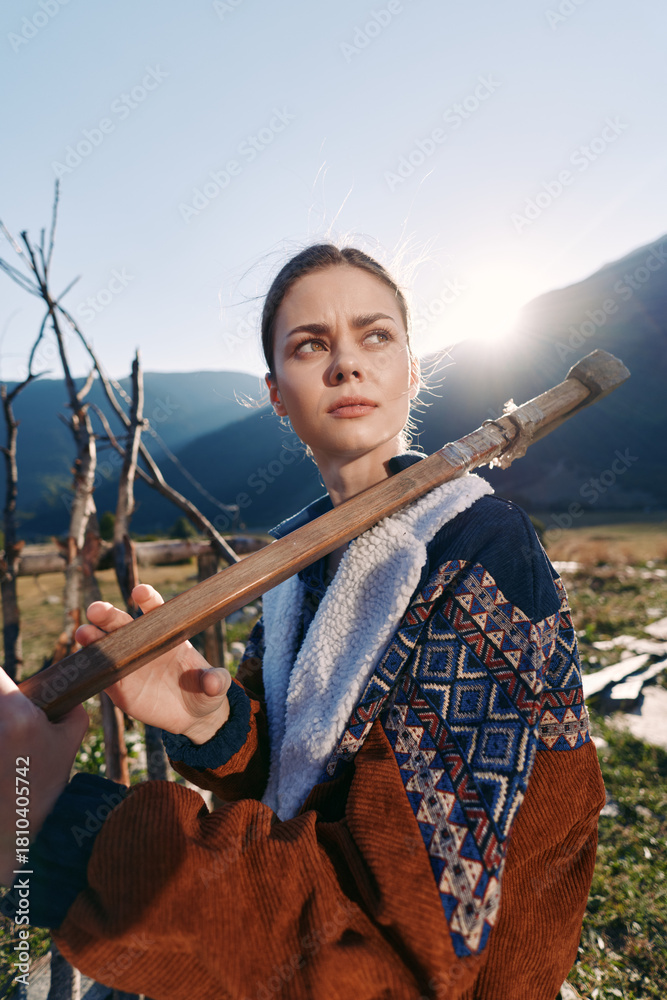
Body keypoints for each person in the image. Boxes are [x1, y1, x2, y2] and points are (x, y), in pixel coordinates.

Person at [0, 244, 605, 1000]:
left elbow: (399, 954)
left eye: (374, 336)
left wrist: (46, 817)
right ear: (277, 394)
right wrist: (214, 721)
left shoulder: (481, 549)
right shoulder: (297, 559)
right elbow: (297, 772)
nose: (346, 364)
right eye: (310, 344)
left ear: (411, 370)